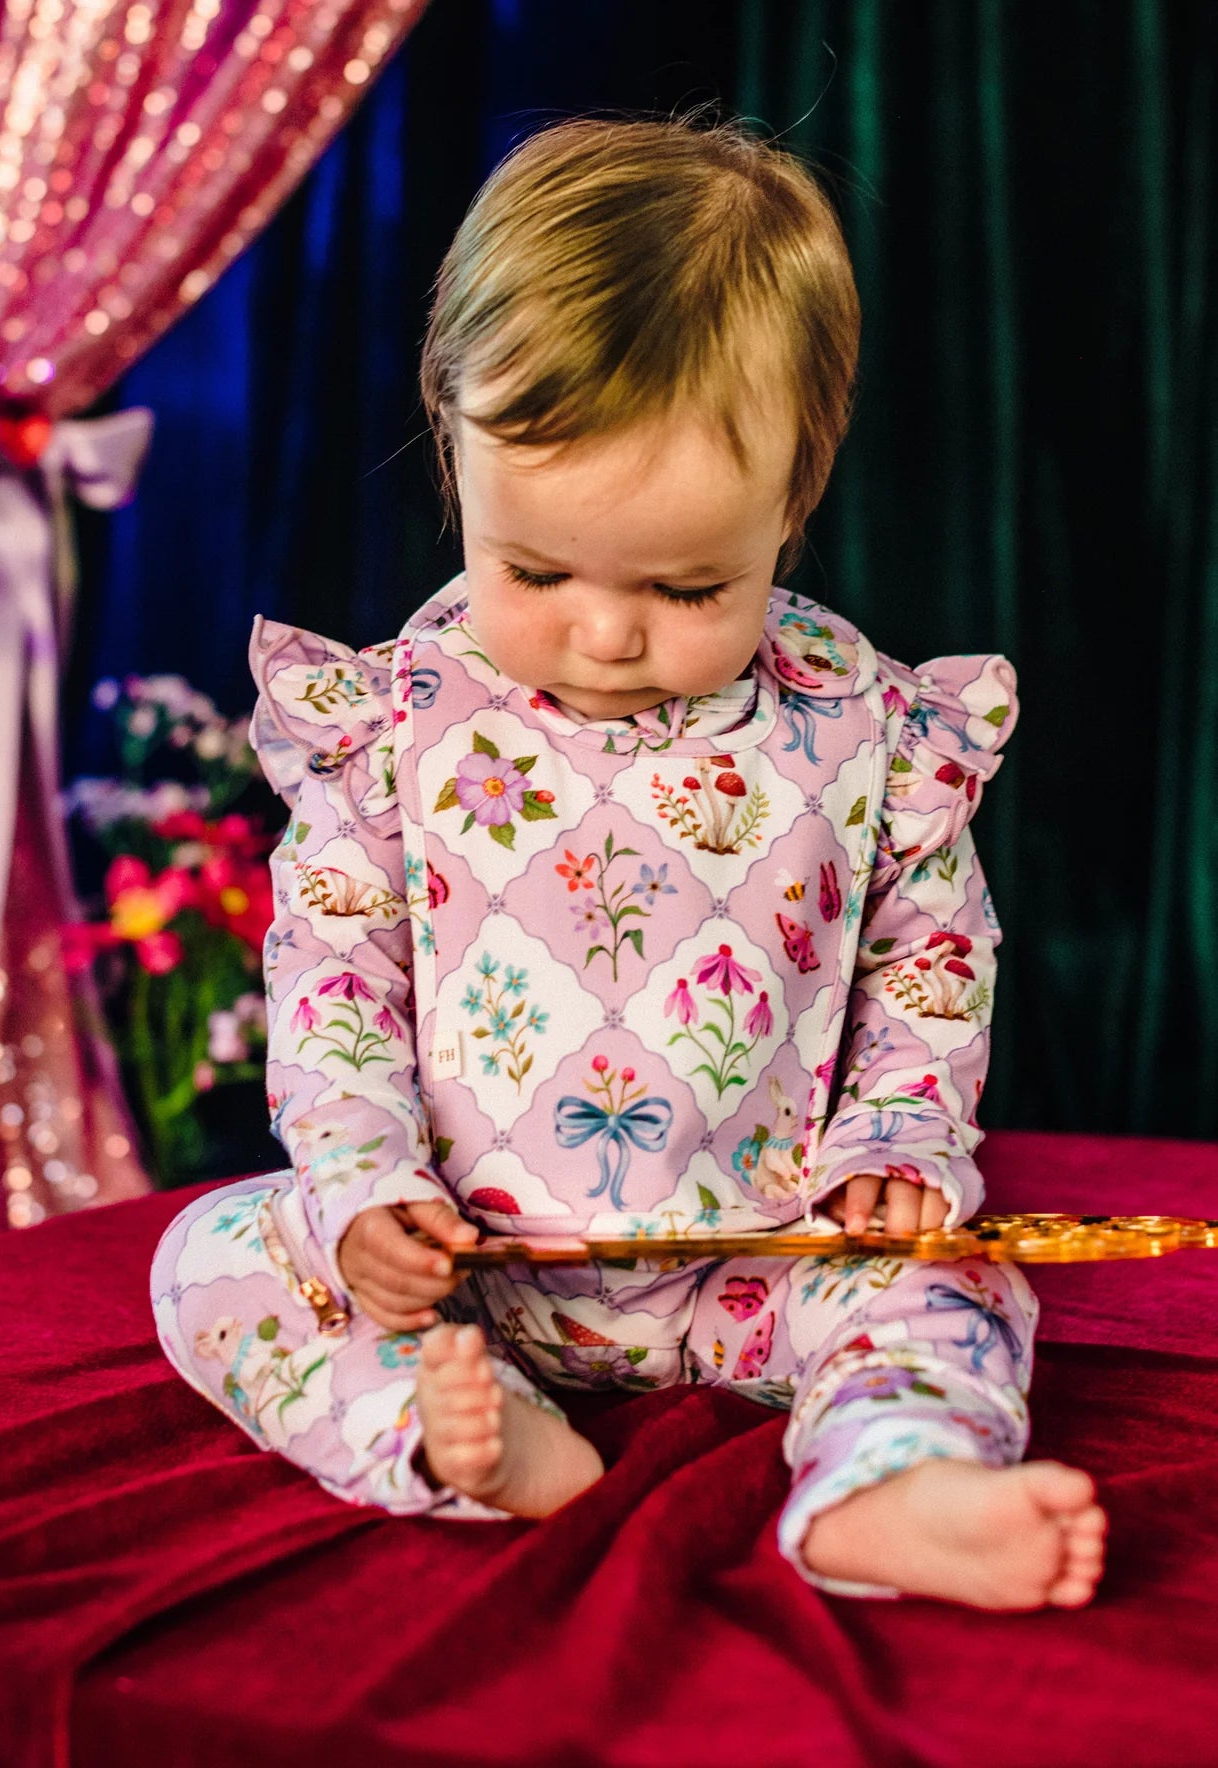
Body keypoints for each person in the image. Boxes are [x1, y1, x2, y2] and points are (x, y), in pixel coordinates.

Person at [151, 114, 1107, 1607]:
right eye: (534, 570)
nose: (606, 637)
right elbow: (335, 971)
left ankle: (890, 1480)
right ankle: (440, 1425)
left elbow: (927, 956)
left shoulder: (862, 727)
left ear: (794, 496)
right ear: (451, 438)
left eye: (687, 587)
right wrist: (359, 1191)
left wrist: (896, 1157)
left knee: (961, 1284)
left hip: (758, 1260)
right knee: (211, 1255)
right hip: (468, 1276)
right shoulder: (393, 722)